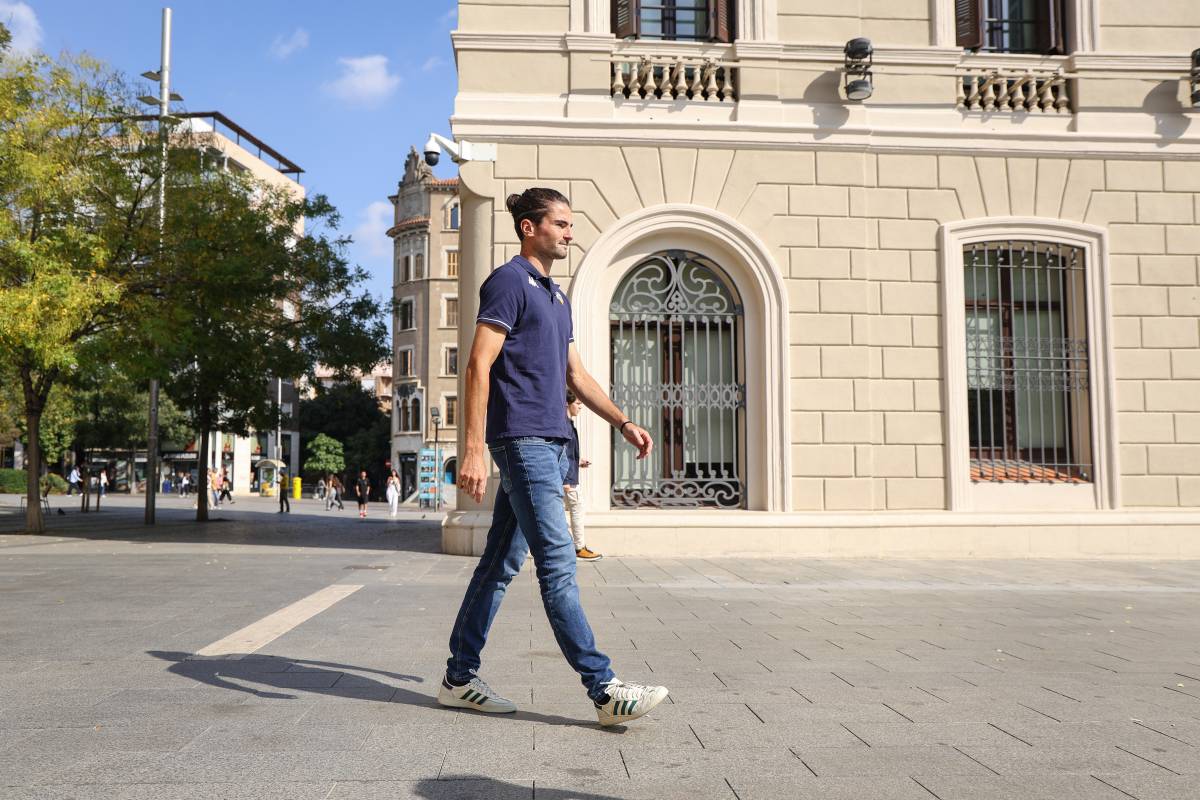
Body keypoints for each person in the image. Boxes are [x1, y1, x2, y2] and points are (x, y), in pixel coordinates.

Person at [441, 187, 668, 727]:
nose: (570, 233)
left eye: (569, 225)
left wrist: (623, 421)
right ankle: (603, 687)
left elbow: (576, 376)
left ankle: (458, 678)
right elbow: (477, 365)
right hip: (521, 440)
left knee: (500, 562)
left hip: (551, 441)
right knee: (559, 564)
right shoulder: (508, 282)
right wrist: (472, 449)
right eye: (561, 224)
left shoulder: (556, 296)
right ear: (529, 228)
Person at [564, 392, 600, 561]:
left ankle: (573, 547)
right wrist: (565, 479)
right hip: (567, 479)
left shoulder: (568, 424)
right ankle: (579, 547)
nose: (580, 407)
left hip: (569, 476)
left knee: (571, 510)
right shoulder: (564, 425)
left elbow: (568, 454)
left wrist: (578, 461)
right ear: (567, 404)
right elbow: (560, 453)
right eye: (577, 403)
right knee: (576, 510)